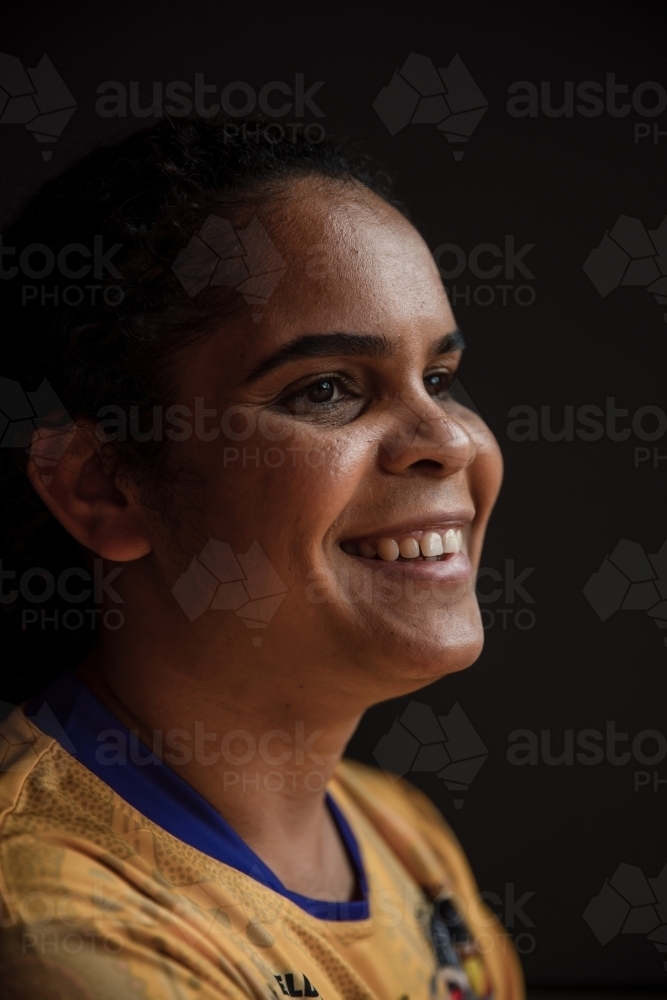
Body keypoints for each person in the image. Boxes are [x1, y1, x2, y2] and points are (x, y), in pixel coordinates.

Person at [0, 117, 522, 1000]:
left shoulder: (403, 838)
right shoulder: (56, 929)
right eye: (325, 389)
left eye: (438, 378)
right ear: (104, 486)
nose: (447, 440)